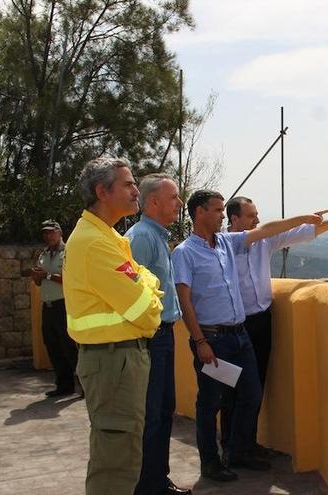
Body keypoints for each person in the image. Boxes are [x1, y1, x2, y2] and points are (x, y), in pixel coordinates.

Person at [171, 189, 325, 483]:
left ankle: (238, 451)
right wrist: (201, 341)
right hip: (213, 341)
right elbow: (185, 301)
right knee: (211, 403)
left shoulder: (226, 244)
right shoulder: (185, 253)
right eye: (217, 211)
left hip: (239, 336)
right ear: (200, 212)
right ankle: (211, 463)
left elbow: (267, 230)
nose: (221, 216)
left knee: (251, 395)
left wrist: (305, 218)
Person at [219, 197, 328, 455]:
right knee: (231, 388)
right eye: (251, 216)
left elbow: (300, 235)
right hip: (233, 324)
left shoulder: (264, 241)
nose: (257, 220)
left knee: (256, 385)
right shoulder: (222, 245)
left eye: (257, 214)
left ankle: (245, 445)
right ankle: (229, 444)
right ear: (234, 219)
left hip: (261, 320)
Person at [63, 157, 164, 495]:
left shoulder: (107, 236)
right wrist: (145, 287)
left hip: (117, 360)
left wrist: (143, 284)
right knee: (116, 460)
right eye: (128, 184)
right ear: (102, 191)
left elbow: (147, 279)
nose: (137, 189)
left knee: (122, 453)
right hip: (113, 361)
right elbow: (147, 312)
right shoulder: (95, 243)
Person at [125, 174, 191, 495]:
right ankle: (146, 486)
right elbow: (131, 294)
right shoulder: (141, 238)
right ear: (153, 202)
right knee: (151, 415)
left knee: (164, 410)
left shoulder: (156, 236)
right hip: (150, 338)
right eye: (174, 197)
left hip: (162, 336)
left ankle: (157, 480)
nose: (180, 203)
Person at [31, 219, 79, 397]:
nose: (48, 236)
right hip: (48, 305)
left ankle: (84, 385)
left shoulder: (67, 252)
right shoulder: (43, 254)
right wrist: (37, 276)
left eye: (51, 232)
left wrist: (47, 275)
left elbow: (71, 278)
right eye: (45, 233)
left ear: (60, 233)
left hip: (63, 304)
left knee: (70, 346)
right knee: (52, 346)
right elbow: (38, 282)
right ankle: (64, 385)